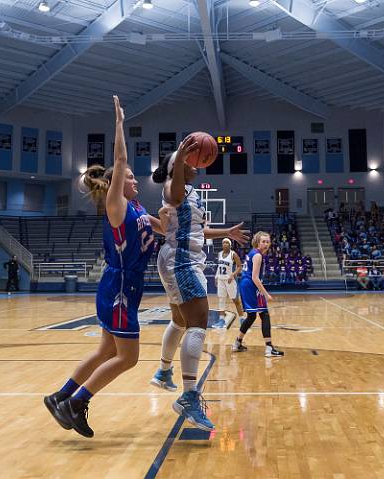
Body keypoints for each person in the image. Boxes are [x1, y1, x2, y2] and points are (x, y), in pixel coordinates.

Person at [43, 96, 165, 438]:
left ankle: (60, 396)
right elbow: (121, 157)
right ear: (116, 183)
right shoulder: (116, 204)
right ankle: (77, 403)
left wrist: (199, 228)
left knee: (106, 351)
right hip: (121, 287)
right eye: (130, 178)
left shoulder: (138, 209)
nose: (136, 181)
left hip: (123, 286)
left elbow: (164, 228)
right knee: (128, 358)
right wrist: (119, 123)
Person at [148, 137, 248, 432]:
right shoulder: (172, 188)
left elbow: (198, 230)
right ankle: (189, 397)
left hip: (181, 259)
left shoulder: (190, 193)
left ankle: (164, 372)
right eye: (187, 162)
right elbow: (174, 187)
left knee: (180, 320)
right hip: (181, 261)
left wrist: (226, 231)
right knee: (198, 323)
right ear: (176, 167)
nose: (194, 164)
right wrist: (180, 155)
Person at [232, 232, 284, 357]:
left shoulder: (253, 252)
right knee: (264, 314)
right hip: (251, 285)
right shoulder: (258, 255)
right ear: (257, 242)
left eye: (268, 241)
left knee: (251, 316)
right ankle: (269, 348)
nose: (266, 244)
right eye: (263, 241)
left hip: (246, 284)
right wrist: (266, 294)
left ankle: (237, 343)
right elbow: (255, 277)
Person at [213, 238, 245, 326]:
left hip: (230, 280)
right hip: (220, 280)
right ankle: (221, 320)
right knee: (221, 299)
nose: (225, 244)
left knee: (235, 300)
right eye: (223, 243)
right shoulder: (219, 254)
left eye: (227, 243)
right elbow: (219, 267)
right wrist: (216, 277)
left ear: (230, 245)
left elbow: (239, 267)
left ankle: (242, 318)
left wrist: (232, 274)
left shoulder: (233, 254)